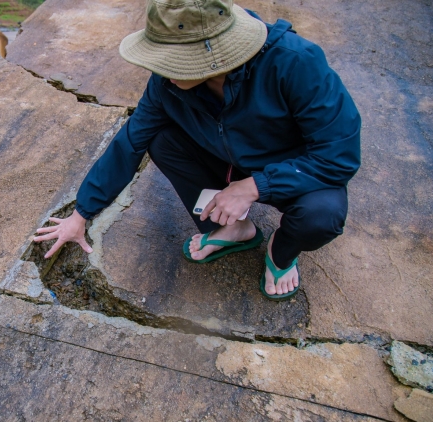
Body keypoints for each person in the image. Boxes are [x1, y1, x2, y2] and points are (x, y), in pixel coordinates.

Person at [33, 0, 361, 301]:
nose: (161, 69)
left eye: (174, 60)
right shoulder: (166, 82)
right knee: (159, 139)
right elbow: (130, 141)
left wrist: (254, 187)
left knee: (322, 217)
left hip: (293, 169)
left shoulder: (295, 62)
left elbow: (338, 155)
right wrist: (81, 215)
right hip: (227, 162)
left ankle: (280, 251)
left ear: (214, 54)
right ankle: (233, 230)